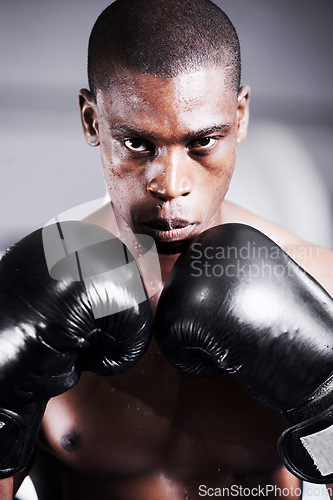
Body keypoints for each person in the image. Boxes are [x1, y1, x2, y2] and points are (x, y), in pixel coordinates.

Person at [1, 0, 333, 498]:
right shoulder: (29, 290)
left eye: (202, 142)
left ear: (239, 116)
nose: (171, 185)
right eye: (137, 144)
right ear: (92, 121)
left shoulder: (320, 283)